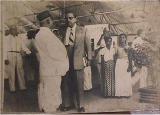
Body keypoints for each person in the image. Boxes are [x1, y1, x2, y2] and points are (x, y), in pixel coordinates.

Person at [34, 11, 69, 113]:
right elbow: (55, 53)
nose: (52, 22)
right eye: (51, 20)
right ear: (48, 20)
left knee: (45, 94)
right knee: (52, 97)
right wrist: (64, 56)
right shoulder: (47, 35)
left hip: (45, 69)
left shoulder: (39, 34)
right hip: (52, 71)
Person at [59, 12, 92, 112]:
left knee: (79, 84)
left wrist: (89, 58)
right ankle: (68, 104)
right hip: (66, 60)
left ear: (76, 19)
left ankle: (81, 105)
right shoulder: (64, 31)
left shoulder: (83, 30)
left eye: (70, 18)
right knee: (67, 83)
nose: (68, 20)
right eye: (67, 18)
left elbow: (88, 45)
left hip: (78, 60)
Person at [4, 25, 30, 92]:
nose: (14, 31)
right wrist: (5, 58)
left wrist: (28, 52)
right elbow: (4, 49)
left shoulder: (19, 38)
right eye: (13, 29)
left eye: (15, 29)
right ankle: (12, 88)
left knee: (20, 70)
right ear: (10, 30)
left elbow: (23, 46)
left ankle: (22, 86)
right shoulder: (6, 38)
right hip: (10, 54)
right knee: (11, 71)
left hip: (18, 54)